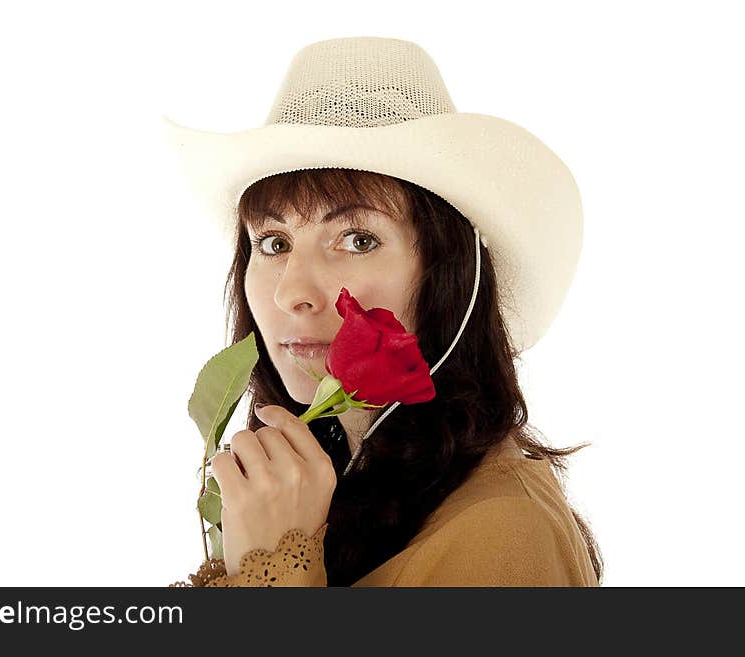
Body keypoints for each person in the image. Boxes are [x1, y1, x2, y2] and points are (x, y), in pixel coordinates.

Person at [162, 36, 603, 586]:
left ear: (450, 273)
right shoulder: (327, 488)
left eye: (357, 239)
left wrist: (277, 567)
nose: (291, 293)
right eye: (273, 243)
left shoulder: (505, 532)